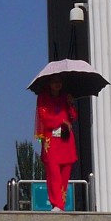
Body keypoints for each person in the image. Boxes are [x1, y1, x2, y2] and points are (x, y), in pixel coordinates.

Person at [33, 74, 79, 211]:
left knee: (65, 172)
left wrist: (70, 104)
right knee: (53, 172)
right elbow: (44, 118)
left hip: (65, 140)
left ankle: (61, 204)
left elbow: (73, 116)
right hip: (51, 142)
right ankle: (56, 203)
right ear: (49, 84)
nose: (57, 84)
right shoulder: (43, 99)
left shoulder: (66, 98)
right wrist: (60, 121)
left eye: (59, 81)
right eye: (54, 81)